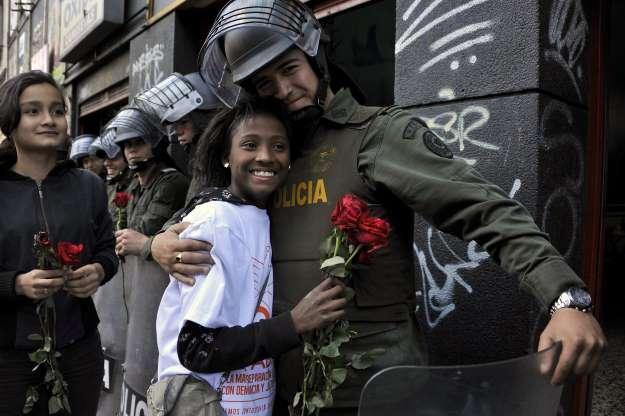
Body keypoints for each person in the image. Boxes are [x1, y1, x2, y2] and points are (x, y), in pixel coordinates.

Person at [153, 1, 606, 414]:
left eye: (290, 69)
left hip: (372, 396)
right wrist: (161, 240)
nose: (284, 90)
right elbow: (212, 207)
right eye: (264, 84)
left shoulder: (378, 135)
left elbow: (484, 210)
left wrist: (565, 298)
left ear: (315, 57)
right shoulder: (272, 157)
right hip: (281, 394)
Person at [153, 98, 345, 416]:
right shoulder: (217, 221)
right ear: (226, 156)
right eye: (250, 144)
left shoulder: (257, 213)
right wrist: (294, 323)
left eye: (279, 146)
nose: (266, 157)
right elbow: (197, 347)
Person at [0, 70, 118, 415]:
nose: (49, 120)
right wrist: (16, 283)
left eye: (57, 110)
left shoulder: (89, 186)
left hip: (79, 350)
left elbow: (107, 249)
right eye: (33, 111)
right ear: (10, 119)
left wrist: (99, 270)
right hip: (8, 359)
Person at [104, 107, 189, 260]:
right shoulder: (134, 185)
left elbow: (144, 231)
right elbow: (116, 224)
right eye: (128, 145)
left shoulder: (171, 182)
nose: (132, 151)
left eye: (139, 143)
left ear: (156, 145)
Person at [135, 72, 222, 199]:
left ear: (203, 119)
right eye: (175, 124)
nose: (177, 131)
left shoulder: (221, 159)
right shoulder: (200, 160)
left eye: (183, 122)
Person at [89, 134, 133, 219]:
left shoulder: (137, 186)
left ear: (126, 156)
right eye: (105, 158)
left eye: (113, 158)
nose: (106, 163)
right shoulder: (111, 187)